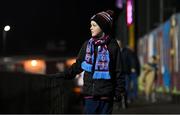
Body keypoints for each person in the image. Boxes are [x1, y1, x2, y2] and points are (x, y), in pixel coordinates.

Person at [49, 10, 125, 114]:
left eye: (94, 25)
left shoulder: (112, 46)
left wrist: (119, 91)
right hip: (90, 95)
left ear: (103, 27)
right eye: (91, 25)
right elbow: (78, 65)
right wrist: (63, 75)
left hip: (106, 96)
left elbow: (118, 70)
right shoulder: (87, 45)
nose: (91, 28)